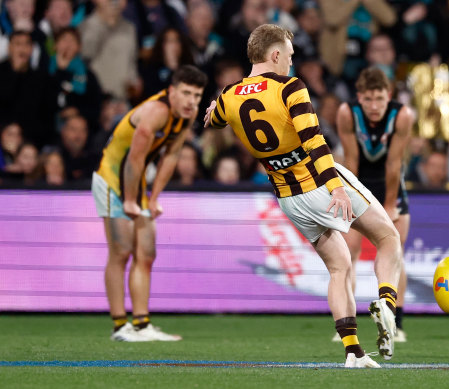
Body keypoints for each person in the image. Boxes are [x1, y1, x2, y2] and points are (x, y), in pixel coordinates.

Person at [204, 24, 402, 368]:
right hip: (321, 183)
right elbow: (314, 140)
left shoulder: (229, 94)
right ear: (275, 55)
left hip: (289, 199)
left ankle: (353, 352)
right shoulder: (290, 88)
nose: (291, 65)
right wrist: (336, 186)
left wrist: (213, 110)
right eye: (290, 57)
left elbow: (215, 119)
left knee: (339, 268)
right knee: (388, 238)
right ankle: (387, 303)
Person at [91, 65, 207, 342]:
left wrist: (153, 199)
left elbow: (171, 156)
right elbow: (134, 158)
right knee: (120, 252)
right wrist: (130, 201)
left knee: (146, 254)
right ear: (172, 92)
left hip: (136, 184)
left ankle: (142, 324)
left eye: (197, 95)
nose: (192, 101)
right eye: (187, 93)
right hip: (111, 180)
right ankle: (120, 326)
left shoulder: (184, 118)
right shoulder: (156, 112)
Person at [336, 67, 414, 343]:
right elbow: (351, 161)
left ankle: (396, 323)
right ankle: (347, 321)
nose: (374, 105)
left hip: (390, 183)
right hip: (358, 181)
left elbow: (395, 163)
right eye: (368, 99)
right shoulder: (347, 113)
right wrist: (352, 197)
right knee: (348, 253)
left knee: (395, 253)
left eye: (379, 98)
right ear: (359, 97)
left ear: (388, 96)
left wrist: (390, 205)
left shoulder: (402, 115)